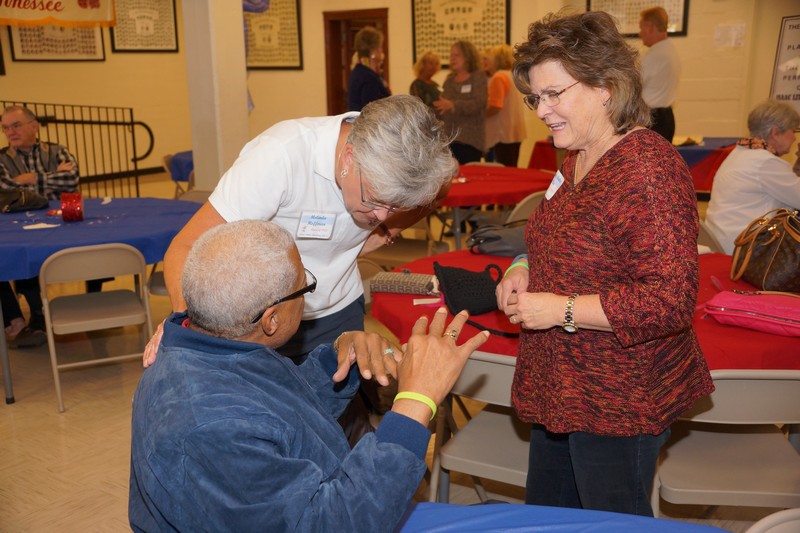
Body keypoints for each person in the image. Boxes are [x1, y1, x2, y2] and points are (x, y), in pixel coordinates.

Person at [129, 219, 489, 532]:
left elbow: (276, 415)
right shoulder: (212, 427)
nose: (308, 298)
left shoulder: (213, 346)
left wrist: (338, 359)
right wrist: (415, 402)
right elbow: (331, 523)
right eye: (305, 288)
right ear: (271, 320)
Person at [496, 11, 713, 517]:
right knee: (550, 518)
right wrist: (522, 267)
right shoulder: (573, 158)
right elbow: (553, 237)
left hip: (619, 398)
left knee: (608, 521)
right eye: (536, 97)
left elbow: (669, 300)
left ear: (605, 88)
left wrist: (560, 310)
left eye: (555, 94)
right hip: (563, 385)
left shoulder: (647, 168)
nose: (542, 111)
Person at [145, 95, 456, 440]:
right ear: (348, 159)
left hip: (337, 312)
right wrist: (188, 323)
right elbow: (186, 248)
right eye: (376, 201)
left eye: (396, 205)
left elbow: (439, 188)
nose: (382, 215)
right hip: (258, 324)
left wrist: (392, 227)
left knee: (336, 433)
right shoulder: (281, 155)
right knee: (264, 435)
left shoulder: (401, 171)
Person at [1, 105, 79, 348]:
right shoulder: (2, 158)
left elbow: (72, 179)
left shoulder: (57, 150)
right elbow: (6, 190)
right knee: (22, 254)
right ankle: (37, 314)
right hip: (17, 225)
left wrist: (31, 180)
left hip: (61, 220)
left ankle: (96, 301)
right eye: (5, 128)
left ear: (34, 126)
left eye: (16, 125)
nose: (10, 132)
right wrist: (52, 177)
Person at [705, 100, 800, 254]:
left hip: (724, 241)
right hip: (744, 249)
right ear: (775, 133)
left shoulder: (741, 153)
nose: (795, 138)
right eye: (793, 131)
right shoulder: (765, 163)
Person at [434, 40, 488, 164]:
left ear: (468, 56)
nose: (452, 58)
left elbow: (479, 103)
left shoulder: (478, 77)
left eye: (457, 55)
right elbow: (443, 107)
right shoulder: (449, 81)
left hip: (470, 140)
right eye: (451, 55)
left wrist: (453, 105)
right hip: (449, 140)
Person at [639, 6, 681, 143]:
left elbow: (633, 86)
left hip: (653, 121)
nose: (640, 34)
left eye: (641, 28)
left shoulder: (656, 55)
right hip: (666, 118)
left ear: (650, 28)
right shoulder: (671, 50)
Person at [484, 44, 527, 167]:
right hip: (516, 130)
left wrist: (480, 115)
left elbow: (495, 106)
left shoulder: (498, 77)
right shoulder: (514, 75)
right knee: (513, 167)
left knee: (504, 169)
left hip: (502, 133)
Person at [347, 26, 391, 112]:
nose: (382, 51)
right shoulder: (367, 77)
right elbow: (371, 111)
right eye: (380, 47)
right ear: (373, 52)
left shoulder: (360, 71)